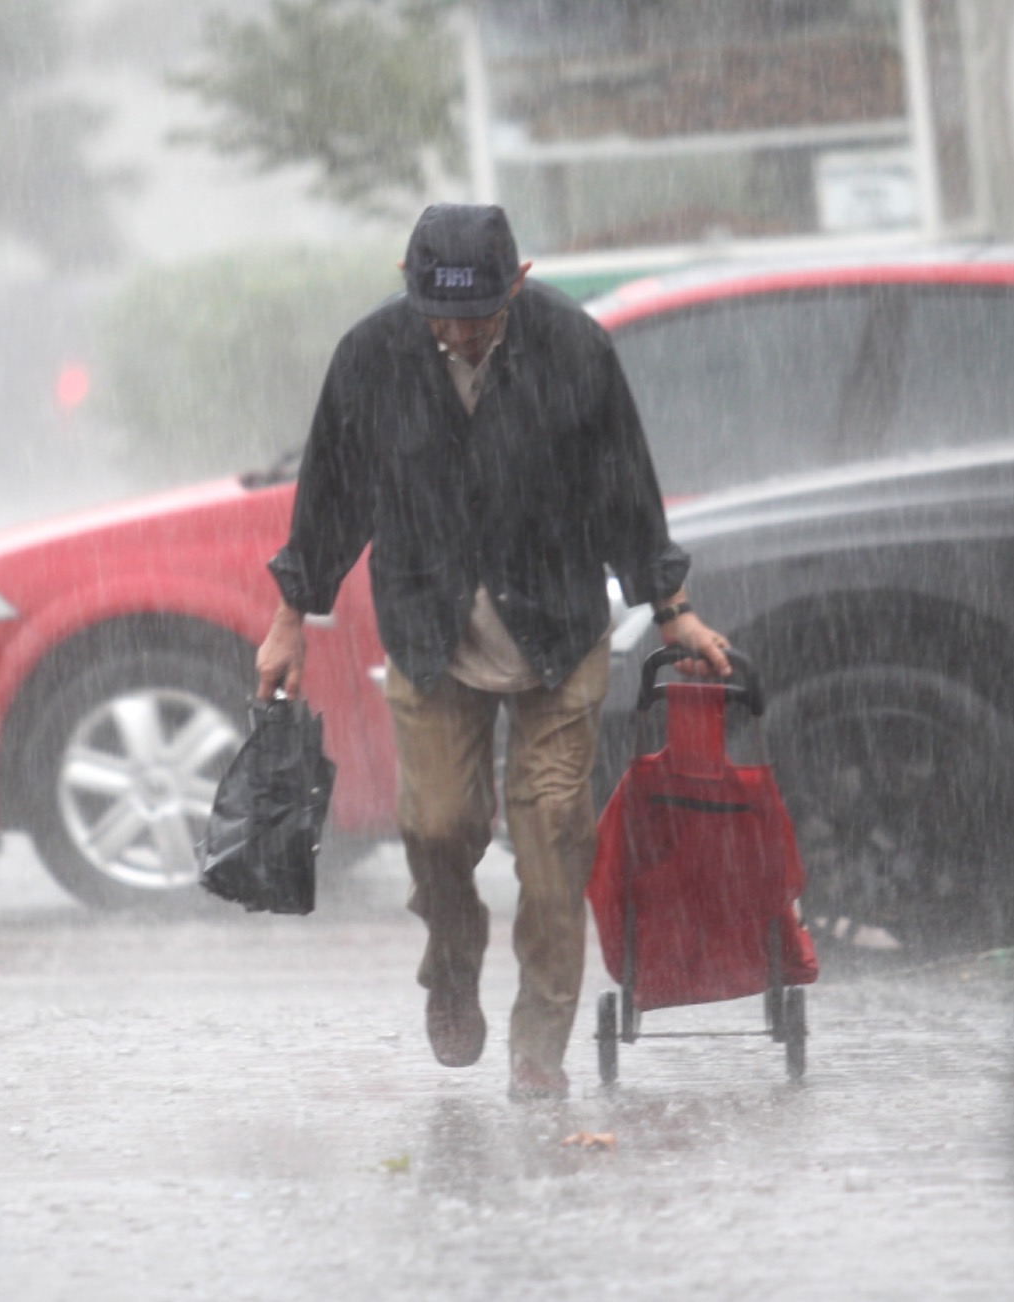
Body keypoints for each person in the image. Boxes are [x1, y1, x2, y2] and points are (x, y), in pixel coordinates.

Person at [256, 203, 731, 1100]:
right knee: (438, 826)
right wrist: (292, 617)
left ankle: (538, 1046)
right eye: (442, 317)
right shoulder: (371, 358)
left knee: (553, 834)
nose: (461, 335)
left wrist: (672, 607)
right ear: (410, 284)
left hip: (555, 626)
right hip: (430, 632)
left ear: (517, 284)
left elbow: (627, 487)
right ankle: (452, 965)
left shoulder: (574, 350)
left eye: (479, 319)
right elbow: (330, 495)